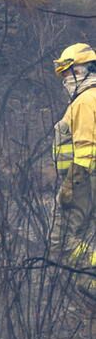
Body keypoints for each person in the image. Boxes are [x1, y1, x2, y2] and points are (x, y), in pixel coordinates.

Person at [49, 43, 96, 296]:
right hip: (86, 181)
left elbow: (86, 147)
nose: (65, 79)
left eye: (68, 72)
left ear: (82, 70)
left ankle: (89, 283)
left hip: (82, 182)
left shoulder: (86, 101)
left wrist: (70, 184)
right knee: (83, 236)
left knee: (62, 240)